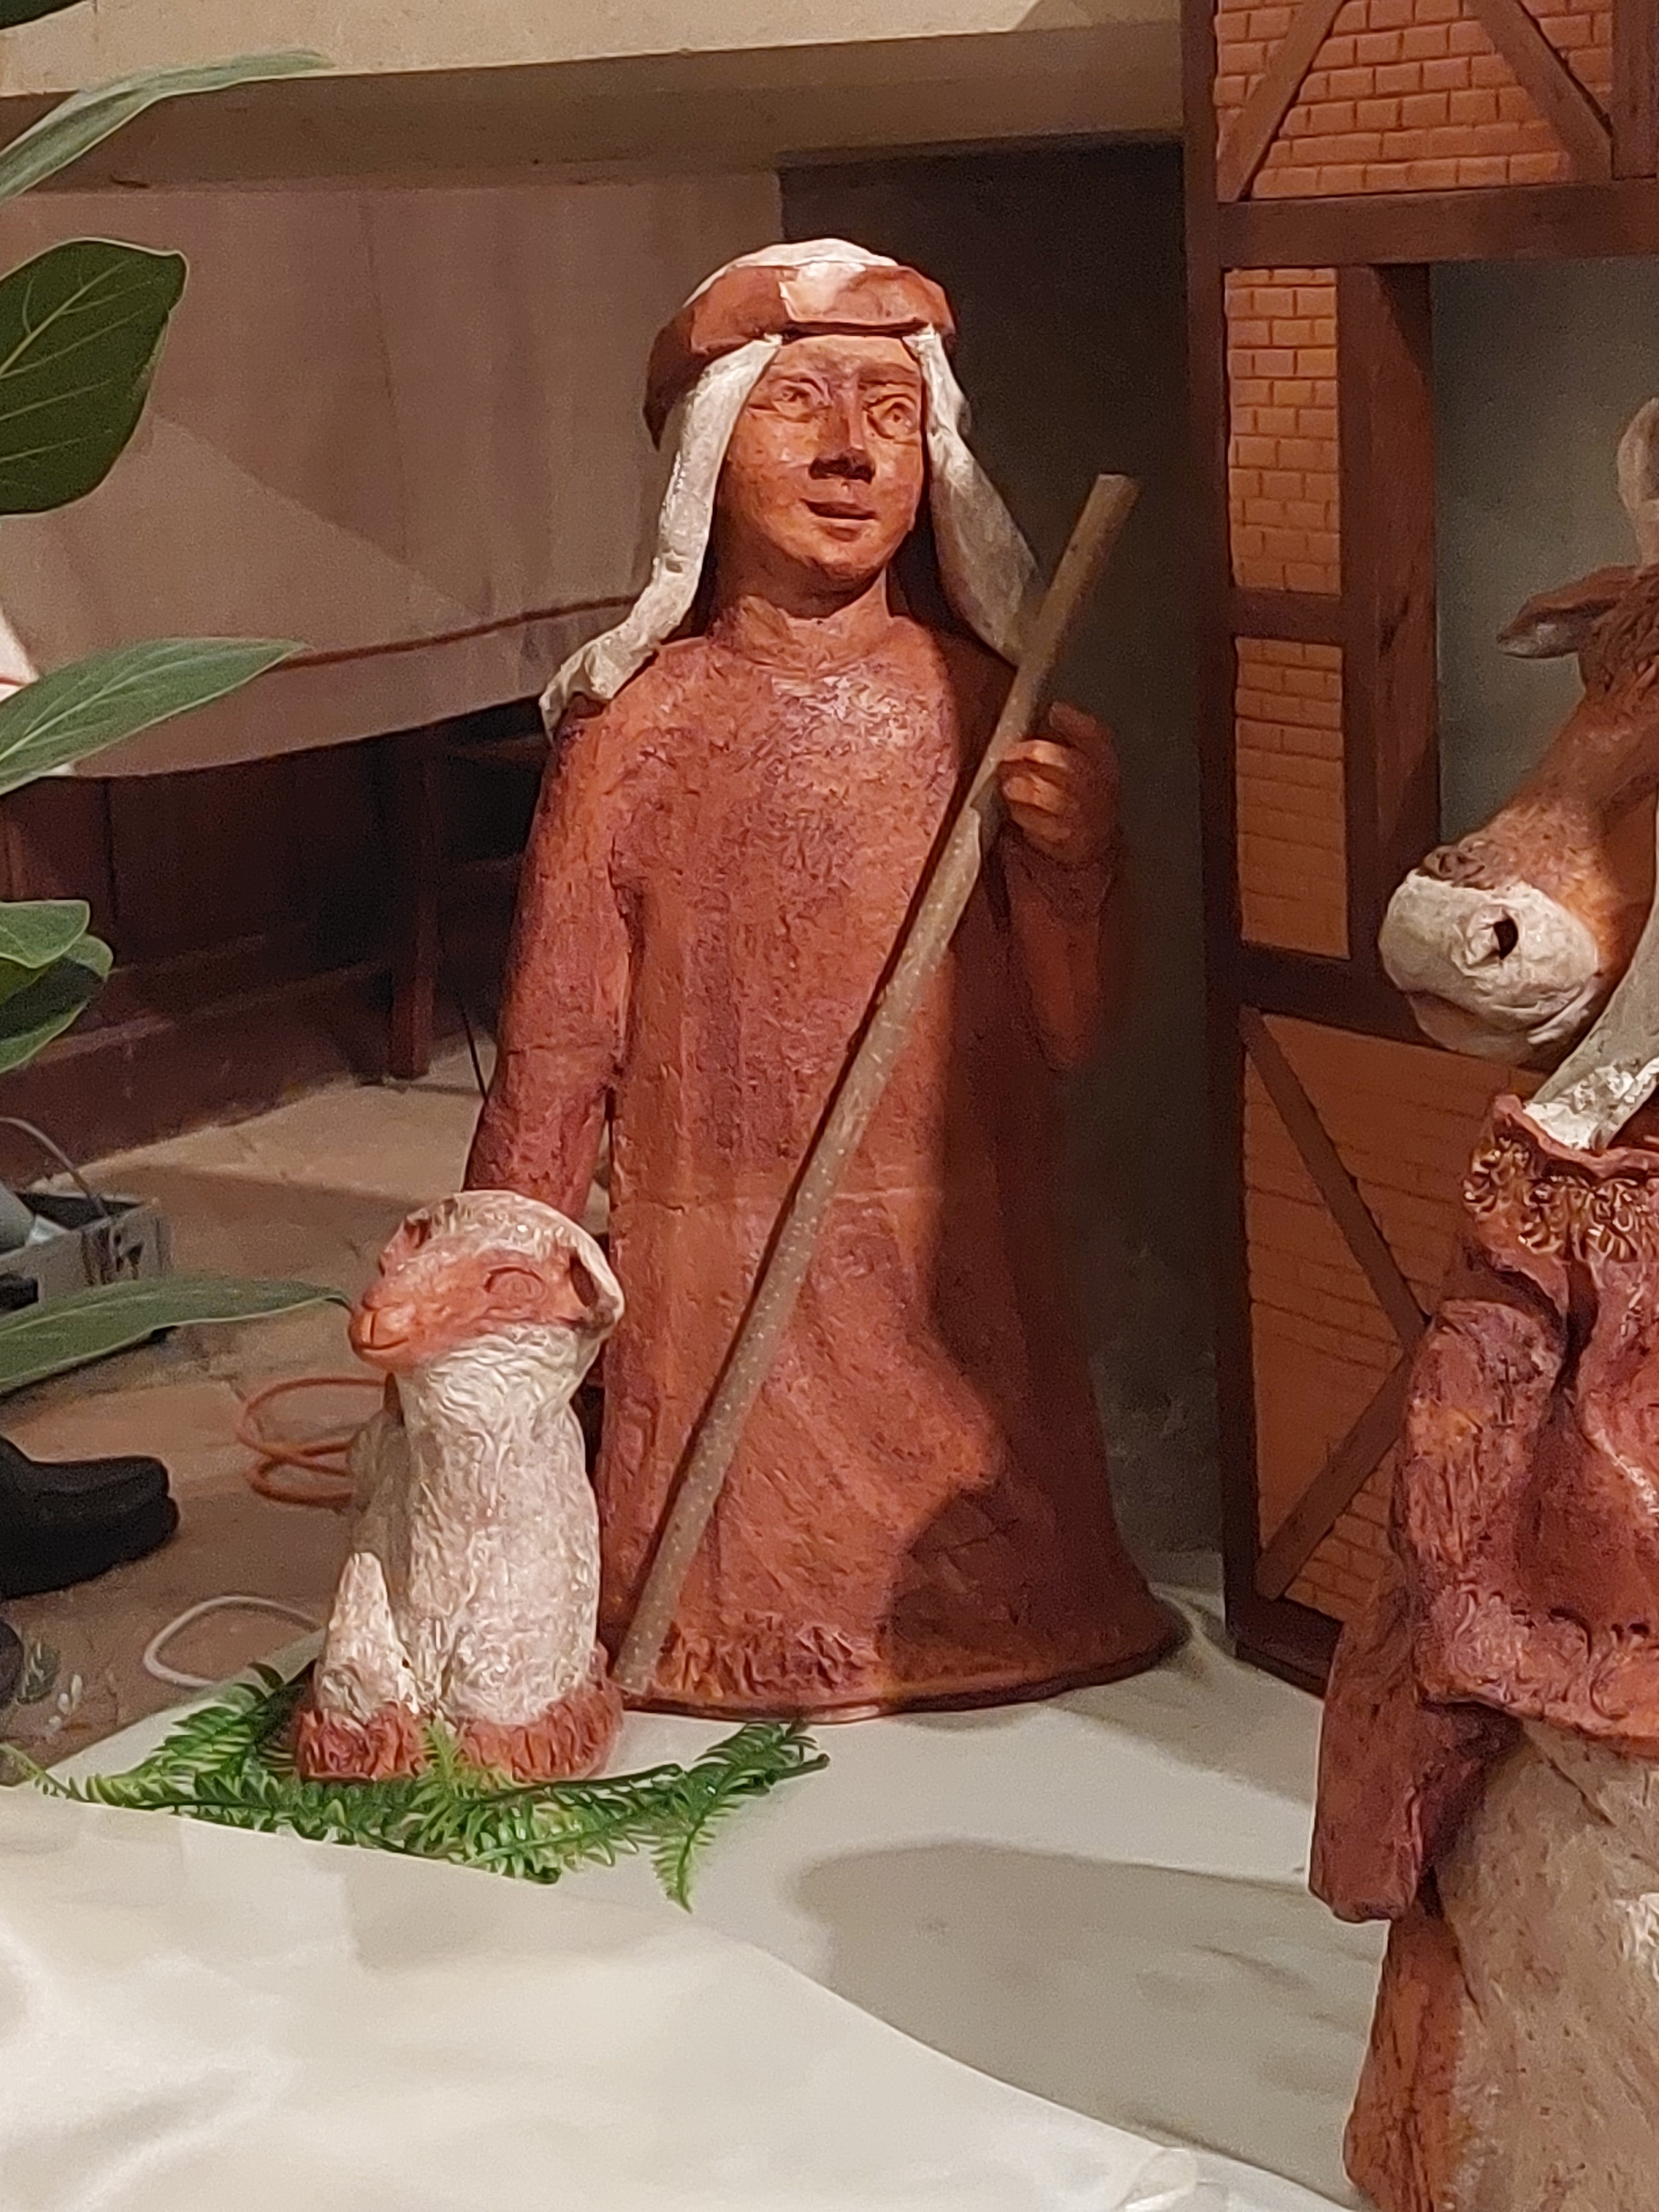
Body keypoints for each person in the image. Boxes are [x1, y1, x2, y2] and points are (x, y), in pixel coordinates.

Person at [467, 241, 1179, 1716]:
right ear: (709, 451)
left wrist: (1073, 868)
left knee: (984, 1512)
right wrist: (505, 1303)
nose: (852, 452)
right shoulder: (635, 738)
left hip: (955, 1274)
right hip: (718, 1277)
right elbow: (556, 1051)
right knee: (728, 1539)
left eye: (892, 414)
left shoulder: (984, 713)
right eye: (799, 403)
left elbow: (1071, 1027)